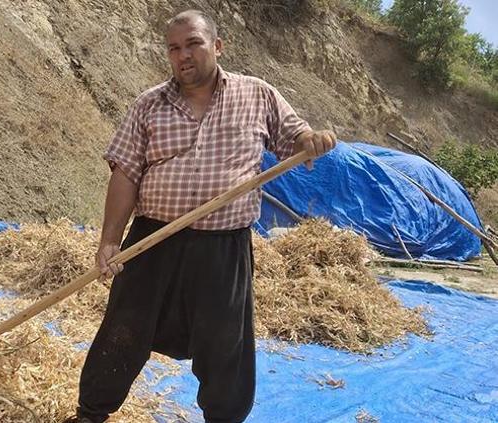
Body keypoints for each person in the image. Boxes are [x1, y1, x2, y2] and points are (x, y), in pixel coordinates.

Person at [64, 9, 336, 423]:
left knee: (224, 343)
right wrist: (109, 241)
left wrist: (310, 140)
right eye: (174, 48)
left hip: (222, 245)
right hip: (152, 239)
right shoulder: (149, 105)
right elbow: (125, 174)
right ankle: (90, 413)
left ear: (217, 46)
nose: (183, 56)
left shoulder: (257, 93)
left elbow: (295, 135)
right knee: (123, 330)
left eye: (193, 44)